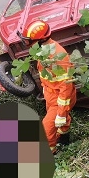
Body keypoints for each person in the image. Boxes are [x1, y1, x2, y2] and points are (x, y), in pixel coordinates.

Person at [19, 19, 76, 152]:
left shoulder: (57, 58)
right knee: (60, 123)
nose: (27, 44)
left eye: (29, 41)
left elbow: (66, 88)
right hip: (51, 96)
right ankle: (64, 138)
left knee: (46, 130)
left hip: (59, 100)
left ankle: (51, 152)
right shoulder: (44, 52)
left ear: (39, 41)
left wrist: (61, 113)